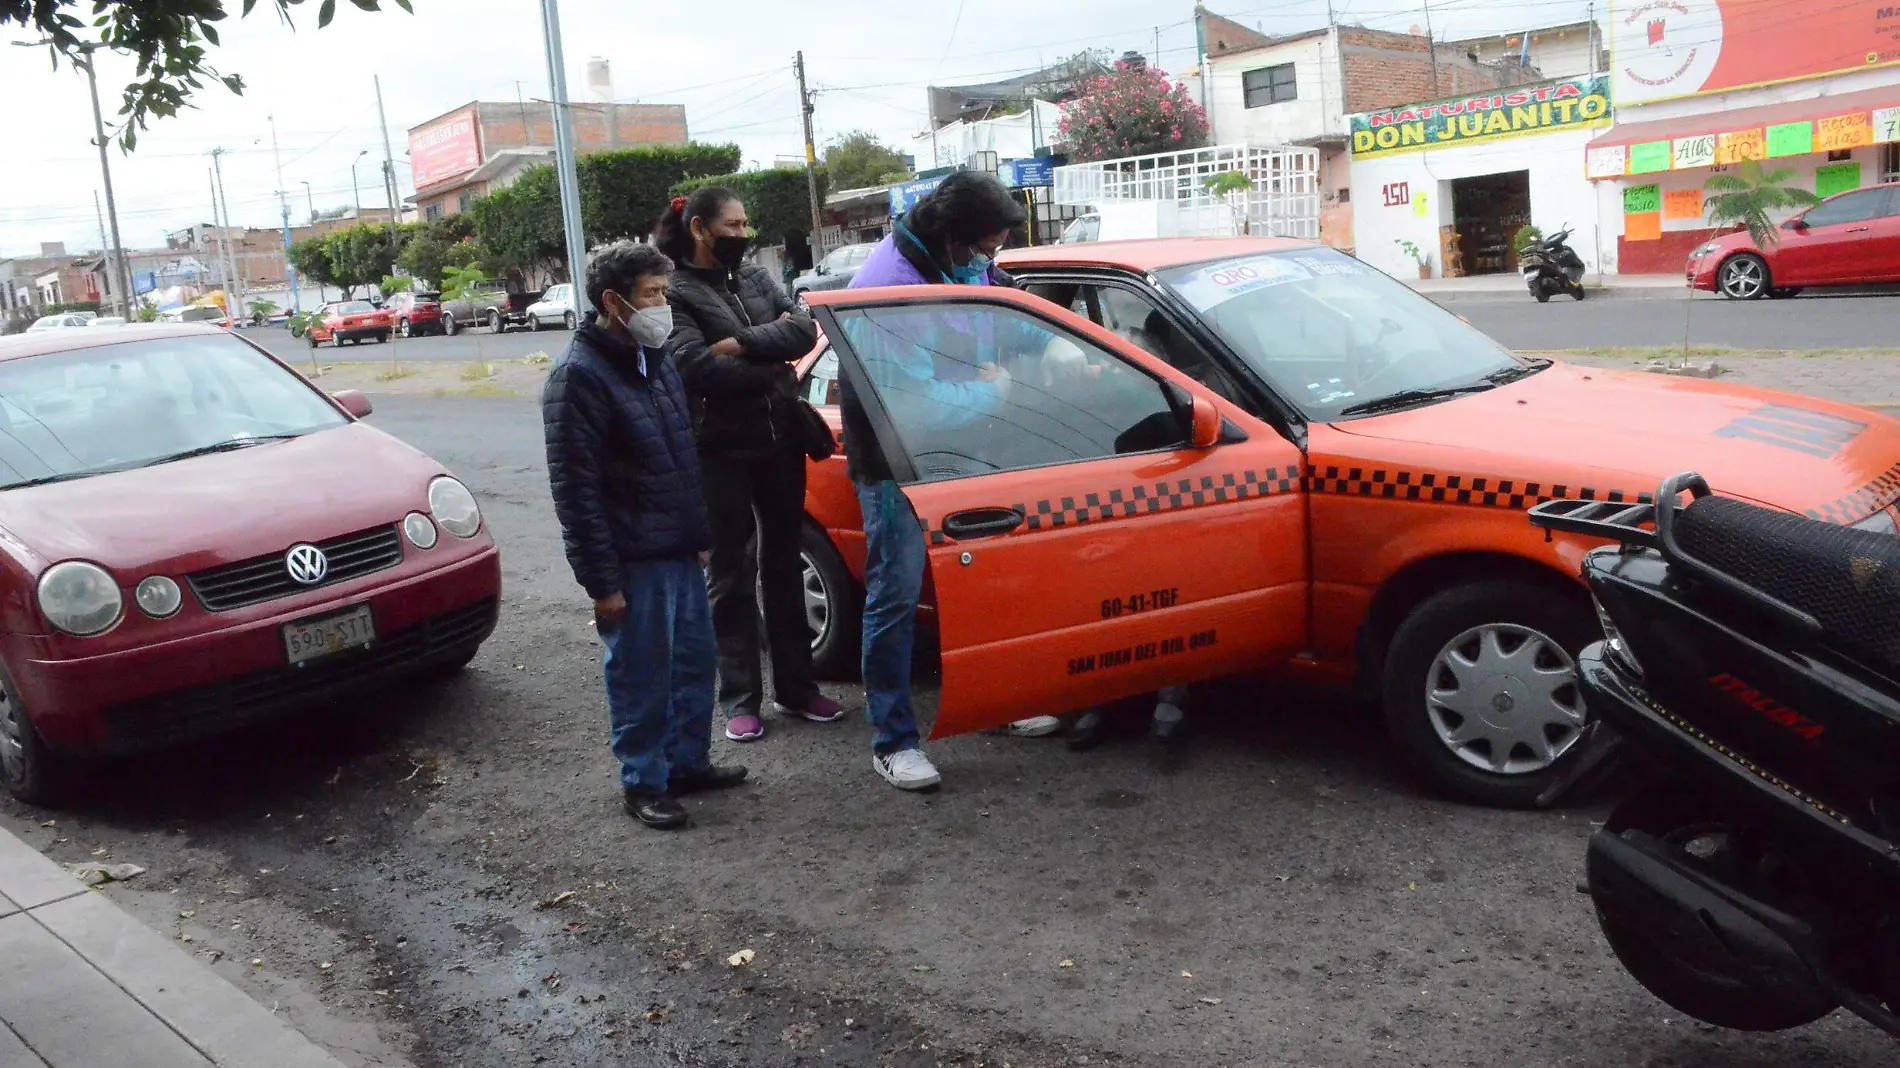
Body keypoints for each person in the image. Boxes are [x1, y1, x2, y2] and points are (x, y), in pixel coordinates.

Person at [842, 170, 1060, 792]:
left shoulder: (955, 260)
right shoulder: (887, 288)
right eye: (981, 247)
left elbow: (992, 307)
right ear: (949, 234)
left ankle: (993, 703)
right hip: (898, 464)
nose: (987, 260)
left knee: (983, 584)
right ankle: (894, 739)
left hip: (966, 453)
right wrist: (994, 389)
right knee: (894, 597)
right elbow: (916, 404)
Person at [542, 240, 746, 830]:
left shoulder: (654, 362)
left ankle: (687, 763)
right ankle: (644, 781)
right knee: (641, 674)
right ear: (614, 302)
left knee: (691, 665)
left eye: (664, 292)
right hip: (634, 558)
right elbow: (576, 494)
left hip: (678, 548)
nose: (663, 305)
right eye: (653, 295)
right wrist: (603, 584)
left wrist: (698, 533)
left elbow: (682, 457)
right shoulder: (578, 377)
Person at [656, 188, 843, 744]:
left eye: (744, 223)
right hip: (720, 449)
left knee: (783, 564)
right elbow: (693, 365)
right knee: (731, 573)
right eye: (731, 224)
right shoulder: (677, 290)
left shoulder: (757, 279)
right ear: (698, 228)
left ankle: (798, 688)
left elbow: (804, 329)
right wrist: (771, 363)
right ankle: (739, 697)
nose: (742, 233)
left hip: (780, 439)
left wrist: (737, 344)